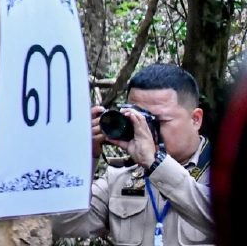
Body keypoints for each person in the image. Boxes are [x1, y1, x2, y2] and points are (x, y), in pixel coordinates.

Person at [53, 63, 214, 245]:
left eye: (158, 121)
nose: (146, 130)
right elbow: (64, 224)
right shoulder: (120, 178)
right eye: (138, 120)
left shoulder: (225, 172)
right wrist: (85, 158)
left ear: (196, 119)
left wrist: (156, 164)